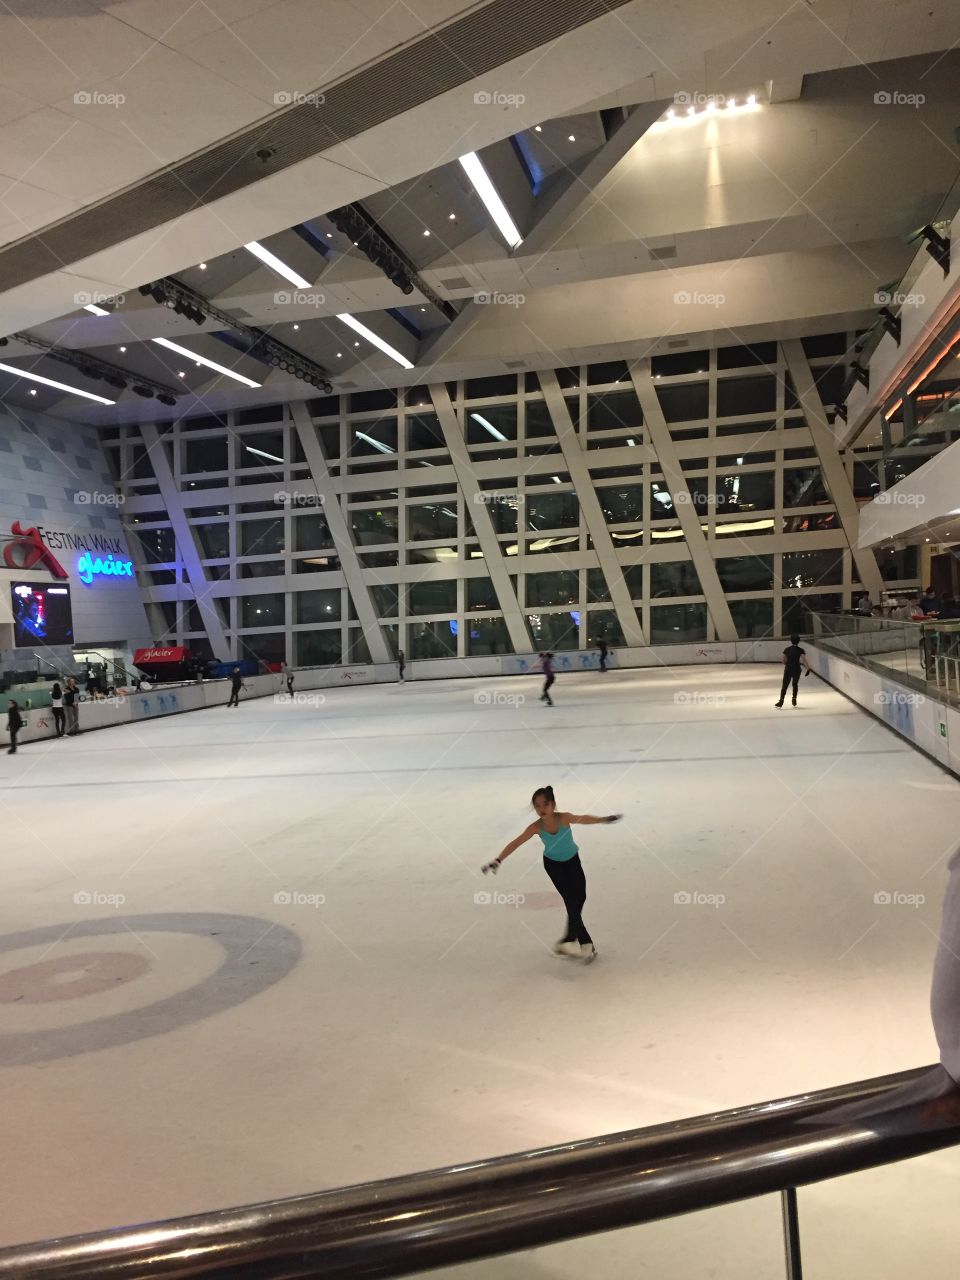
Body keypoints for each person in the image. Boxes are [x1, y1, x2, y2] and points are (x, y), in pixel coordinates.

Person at [481, 785, 622, 962]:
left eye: (545, 805)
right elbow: (516, 842)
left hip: (572, 861)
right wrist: (498, 859)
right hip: (554, 866)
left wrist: (603, 819)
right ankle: (586, 943)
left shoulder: (564, 818)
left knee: (580, 897)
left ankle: (568, 939)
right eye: (537, 806)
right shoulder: (535, 827)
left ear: (553, 804)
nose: (541, 809)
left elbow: (583, 819)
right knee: (571, 901)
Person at [775, 634, 810, 708]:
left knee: (784, 685)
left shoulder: (787, 649)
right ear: (798, 641)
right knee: (795, 684)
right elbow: (804, 660)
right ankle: (794, 699)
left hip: (788, 669)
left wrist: (788, 664)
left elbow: (783, 660)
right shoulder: (801, 650)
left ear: (791, 641)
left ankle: (781, 701)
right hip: (797, 669)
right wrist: (808, 669)